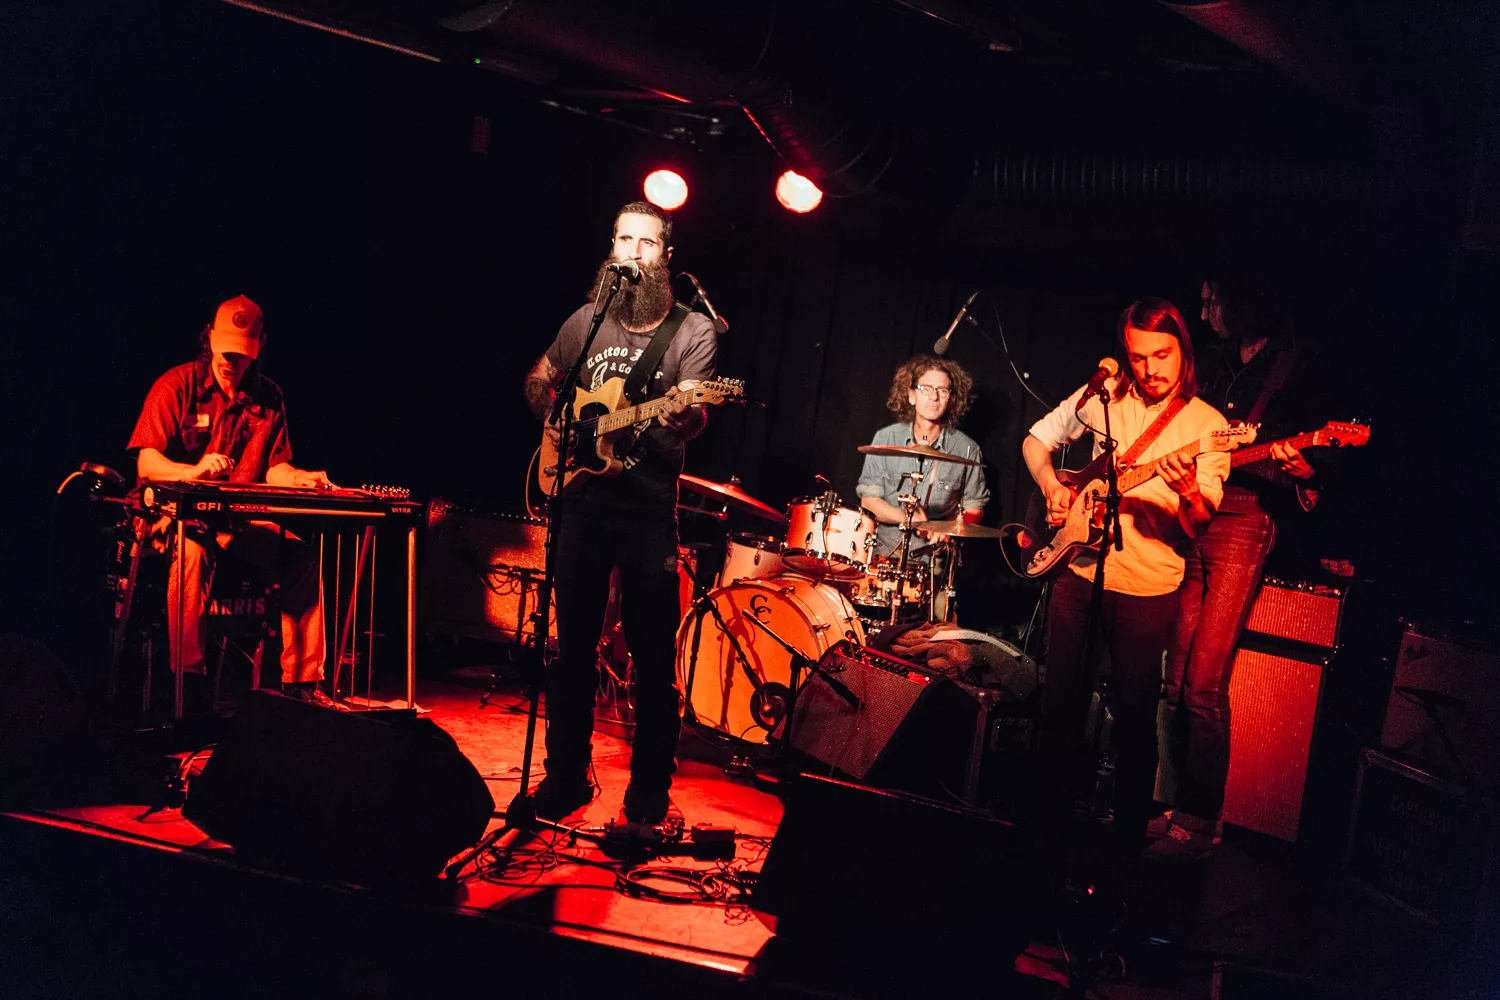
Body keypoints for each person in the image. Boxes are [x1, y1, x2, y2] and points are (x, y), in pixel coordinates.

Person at [521, 201, 716, 824]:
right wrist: (556, 420)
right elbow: (540, 378)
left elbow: (696, 415)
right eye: (624, 240)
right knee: (571, 651)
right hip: (579, 502)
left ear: (666, 257)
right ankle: (564, 778)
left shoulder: (691, 331)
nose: (633, 252)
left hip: (647, 512)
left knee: (653, 659)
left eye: (646, 243)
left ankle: (648, 794)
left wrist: (685, 414)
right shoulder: (586, 320)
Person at [1023, 297, 1228, 853]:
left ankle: (1127, 847)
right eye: (1138, 357)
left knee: (1136, 719)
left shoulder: (1210, 426)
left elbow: (1198, 525)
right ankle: (1043, 836)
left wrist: (1187, 490)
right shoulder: (1105, 395)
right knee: (1058, 709)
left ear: (1184, 351)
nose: (1150, 368)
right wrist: (1052, 486)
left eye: (1162, 355)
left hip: (1147, 587)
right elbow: (1037, 439)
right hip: (1079, 573)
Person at [1147, 274, 1342, 862]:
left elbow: (1319, 459)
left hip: (1245, 516)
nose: (1204, 312)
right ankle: (1169, 802)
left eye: (1213, 301)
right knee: (1172, 679)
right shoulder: (1211, 361)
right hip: (1190, 508)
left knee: (1205, 682)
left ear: (1244, 298)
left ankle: (1200, 820)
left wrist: (1306, 469)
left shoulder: (1294, 363)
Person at [127, 295, 340, 710]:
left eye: (240, 354)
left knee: (301, 556)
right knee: (191, 552)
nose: (230, 361)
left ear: (258, 348)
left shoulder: (268, 397)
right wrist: (192, 471)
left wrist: (300, 478)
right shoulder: (177, 385)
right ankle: (188, 683)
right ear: (209, 338)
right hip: (169, 520)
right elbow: (147, 463)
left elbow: (275, 469)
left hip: (232, 524)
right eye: (224, 350)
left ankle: (303, 686)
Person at [856, 356, 988, 561]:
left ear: (951, 399)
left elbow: (974, 507)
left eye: (942, 390)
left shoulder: (967, 449)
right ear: (911, 395)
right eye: (925, 388)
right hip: (882, 555)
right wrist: (909, 519)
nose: (934, 397)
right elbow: (869, 501)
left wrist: (949, 530)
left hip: (933, 560)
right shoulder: (886, 438)